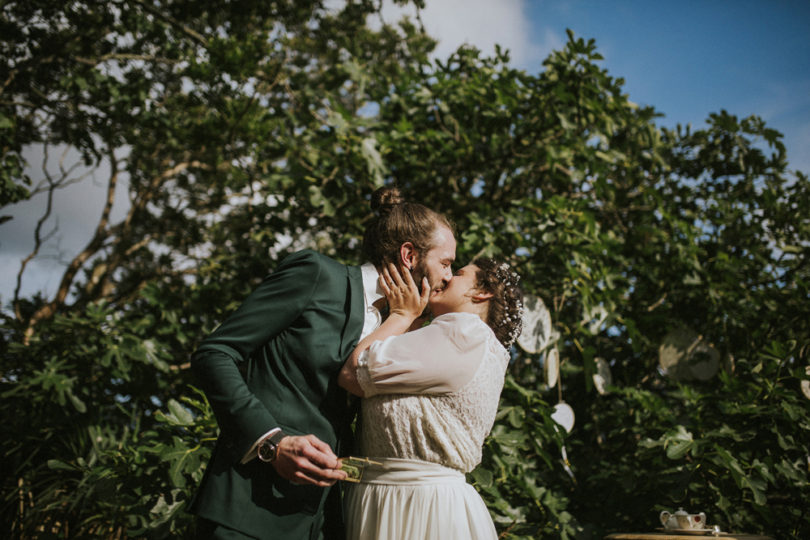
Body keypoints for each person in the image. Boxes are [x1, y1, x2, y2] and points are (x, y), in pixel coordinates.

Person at [189, 186, 456, 540]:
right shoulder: (316, 275)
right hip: (245, 512)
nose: (449, 276)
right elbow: (215, 353)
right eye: (446, 262)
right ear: (409, 254)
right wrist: (272, 444)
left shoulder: (399, 330)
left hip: (321, 523)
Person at [337, 257, 524, 540]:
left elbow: (354, 372)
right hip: (405, 498)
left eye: (458, 273)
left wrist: (401, 315)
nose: (446, 277)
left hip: (415, 506)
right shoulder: (472, 343)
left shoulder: (463, 333)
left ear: (481, 292)